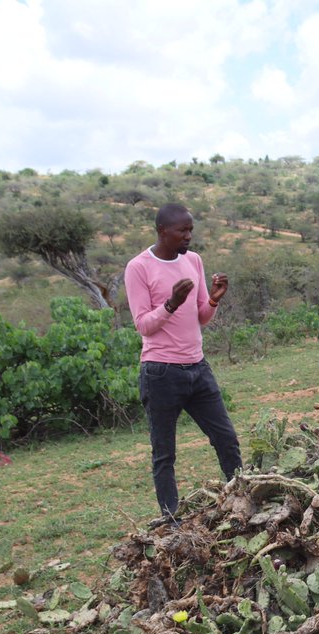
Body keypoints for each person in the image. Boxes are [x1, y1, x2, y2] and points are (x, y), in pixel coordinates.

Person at [125, 203, 241, 522]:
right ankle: (172, 521)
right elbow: (144, 325)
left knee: (226, 438)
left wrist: (215, 298)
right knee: (165, 454)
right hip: (161, 373)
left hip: (197, 368)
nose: (188, 236)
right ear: (162, 231)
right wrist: (171, 303)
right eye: (182, 231)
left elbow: (201, 316)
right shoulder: (139, 267)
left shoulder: (194, 261)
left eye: (191, 229)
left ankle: (243, 499)